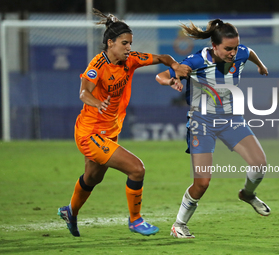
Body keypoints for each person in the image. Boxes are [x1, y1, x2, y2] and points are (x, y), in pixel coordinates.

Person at [57, 8, 191, 237]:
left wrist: (175, 66)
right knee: (137, 169)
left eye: (130, 43)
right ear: (110, 43)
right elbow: (83, 93)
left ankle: (71, 211)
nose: (129, 47)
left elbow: (161, 58)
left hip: (108, 132)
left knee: (92, 178)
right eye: (124, 43)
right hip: (90, 133)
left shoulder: (131, 61)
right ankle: (135, 220)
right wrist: (97, 103)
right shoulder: (97, 66)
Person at [156, 19, 270, 238]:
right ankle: (179, 225)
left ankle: (247, 194)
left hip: (231, 119)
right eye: (228, 49)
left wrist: (260, 65)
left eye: (235, 47)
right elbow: (161, 75)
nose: (233, 53)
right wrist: (171, 81)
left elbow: (249, 52)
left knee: (260, 164)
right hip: (202, 123)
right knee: (202, 183)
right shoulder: (196, 61)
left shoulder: (241, 53)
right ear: (214, 46)